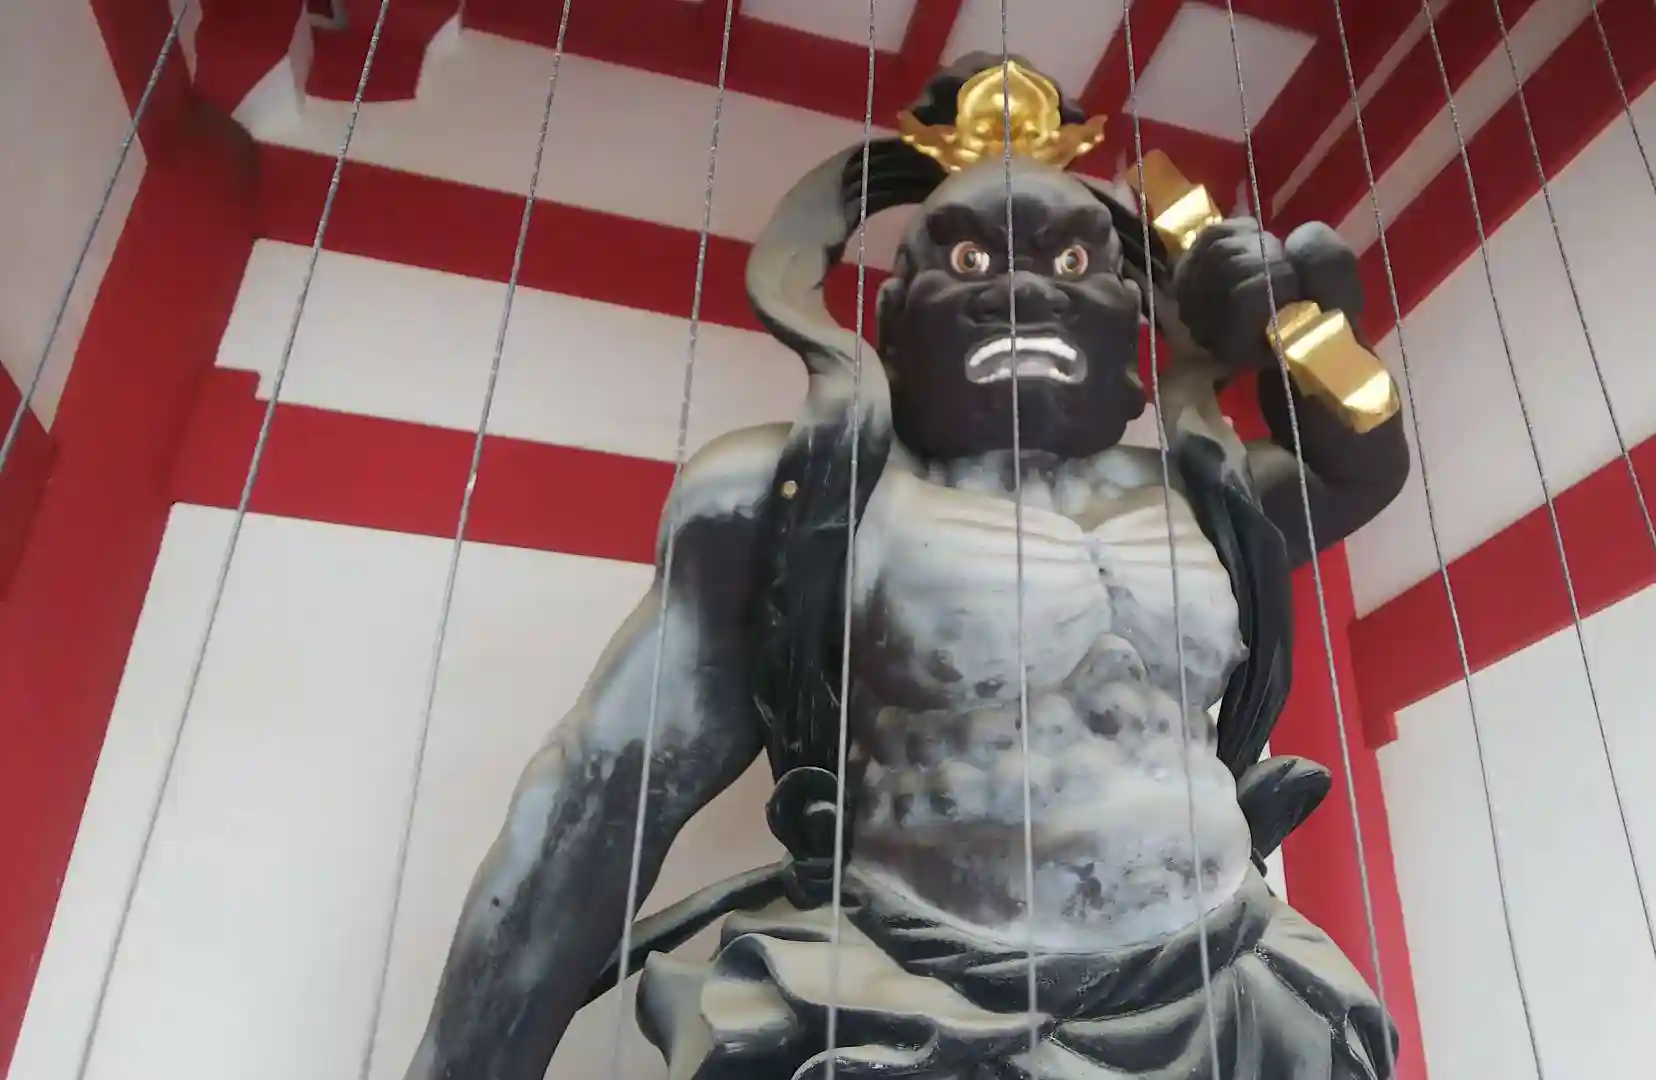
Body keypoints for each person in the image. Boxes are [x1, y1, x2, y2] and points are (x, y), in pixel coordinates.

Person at [403, 56, 1410, 1080]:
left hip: (1228, 969)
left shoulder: (1198, 493)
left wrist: (1301, 333)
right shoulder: (803, 497)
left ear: (1131, 317)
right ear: (889, 326)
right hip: (929, 996)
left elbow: (1356, 467)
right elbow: (598, 799)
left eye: (1070, 263)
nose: (1021, 292)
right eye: (969, 260)